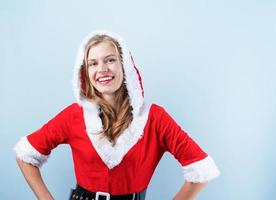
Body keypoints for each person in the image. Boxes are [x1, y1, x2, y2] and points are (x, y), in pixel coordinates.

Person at [14, 30, 220, 200]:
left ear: (125, 66)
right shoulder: (75, 115)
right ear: (86, 72)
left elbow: (201, 170)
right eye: (93, 63)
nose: (101, 69)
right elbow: (25, 155)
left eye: (109, 60)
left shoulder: (155, 118)